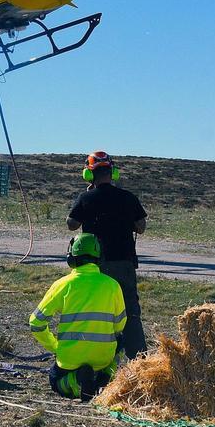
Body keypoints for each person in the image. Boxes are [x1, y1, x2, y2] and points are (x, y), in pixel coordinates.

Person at [66, 150, 149, 358]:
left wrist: (87, 201)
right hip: (124, 263)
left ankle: (97, 355)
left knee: (96, 311)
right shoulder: (128, 197)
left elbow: (71, 224)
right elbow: (141, 227)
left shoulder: (86, 197)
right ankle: (139, 361)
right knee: (130, 311)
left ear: (89, 174)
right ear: (113, 173)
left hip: (96, 266)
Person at [29, 233, 127, 401]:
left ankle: (75, 383)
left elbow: (36, 322)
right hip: (103, 358)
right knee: (121, 342)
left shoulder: (63, 284)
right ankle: (107, 376)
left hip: (70, 359)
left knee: (54, 379)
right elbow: (120, 326)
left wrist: (55, 346)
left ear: (70, 257)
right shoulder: (112, 285)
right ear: (99, 257)